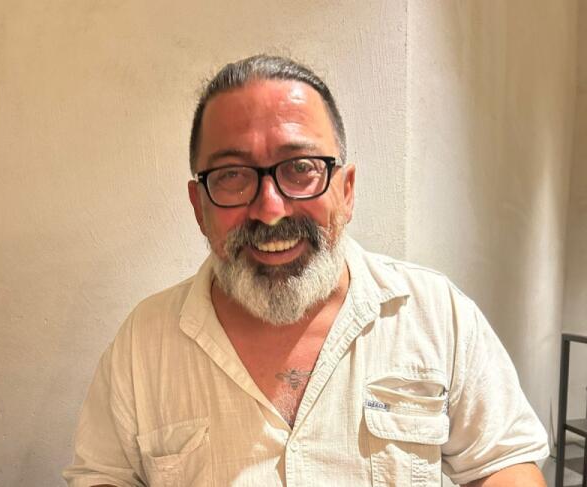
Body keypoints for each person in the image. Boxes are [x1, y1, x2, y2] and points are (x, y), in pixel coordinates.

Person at [63, 55, 549, 487]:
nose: (270, 209)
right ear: (198, 206)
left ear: (346, 190)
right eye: (232, 176)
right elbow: (104, 476)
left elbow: (502, 463)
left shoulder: (435, 315)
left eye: (300, 168)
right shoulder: (144, 342)